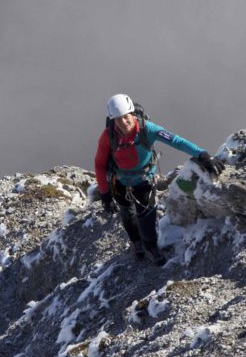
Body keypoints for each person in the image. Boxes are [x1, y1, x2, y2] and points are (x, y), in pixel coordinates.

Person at [94, 93, 224, 266]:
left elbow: (176, 141)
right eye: (118, 120)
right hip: (119, 183)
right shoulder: (108, 137)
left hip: (144, 180)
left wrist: (202, 154)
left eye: (126, 117)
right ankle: (136, 243)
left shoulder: (148, 129)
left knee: (147, 215)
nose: (123, 123)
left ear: (132, 114)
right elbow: (100, 164)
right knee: (127, 213)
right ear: (112, 120)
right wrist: (105, 194)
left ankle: (150, 246)